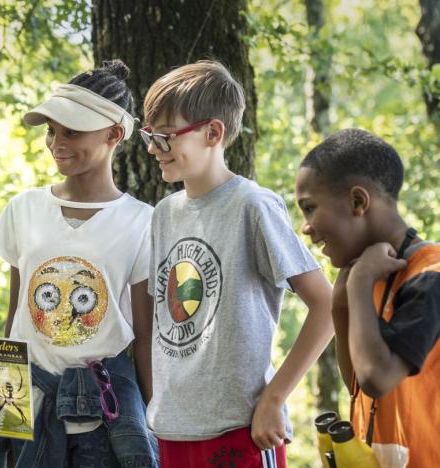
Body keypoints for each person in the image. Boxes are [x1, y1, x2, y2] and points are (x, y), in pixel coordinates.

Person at [0, 60, 157, 467]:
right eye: (52, 130)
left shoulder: (143, 221)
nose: (56, 142)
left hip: (105, 418)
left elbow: (144, 338)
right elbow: (15, 322)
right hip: (30, 406)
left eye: (72, 131)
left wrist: (155, 420)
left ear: (115, 134)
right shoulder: (24, 209)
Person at [139, 60, 333, 467]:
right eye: (149, 137)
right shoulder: (163, 213)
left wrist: (274, 398)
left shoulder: (253, 206)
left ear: (213, 133)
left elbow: (328, 306)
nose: (154, 149)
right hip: (172, 429)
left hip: (242, 430)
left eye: (165, 137)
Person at [295, 128, 440, 467]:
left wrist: (359, 284)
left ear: (358, 201)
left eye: (310, 208)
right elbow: (357, 383)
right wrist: (341, 302)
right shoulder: (373, 273)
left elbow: (377, 377)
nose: (306, 227)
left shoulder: (429, 278)